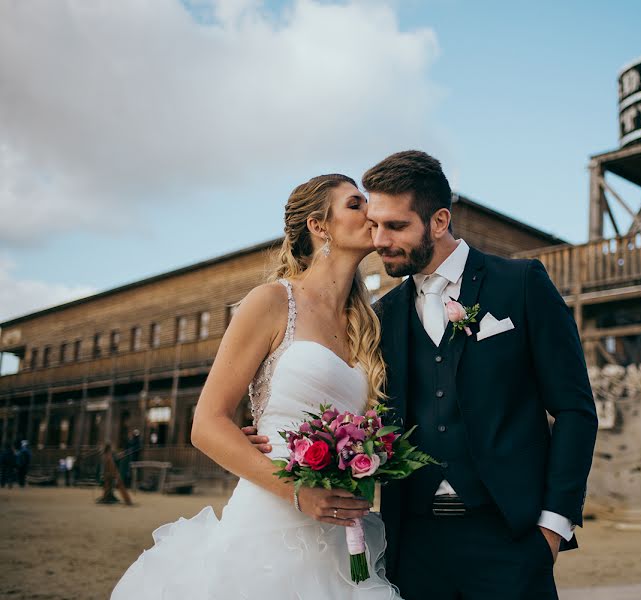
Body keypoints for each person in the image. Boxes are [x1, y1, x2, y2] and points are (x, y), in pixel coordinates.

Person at [250, 151, 598, 599]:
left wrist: (553, 526)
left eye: (396, 227)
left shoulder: (522, 283)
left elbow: (573, 409)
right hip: (410, 545)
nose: (380, 241)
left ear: (438, 221)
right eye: (374, 225)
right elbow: (350, 405)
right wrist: (270, 437)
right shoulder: (381, 317)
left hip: (510, 538)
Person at [112, 175, 401, 598]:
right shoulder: (271, 302)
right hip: (270, 522)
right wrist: (298, 492)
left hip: (341, 535)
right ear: (319, 226)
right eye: (356, 204)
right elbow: (207, 424)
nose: (371, 213)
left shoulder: (366, 324)